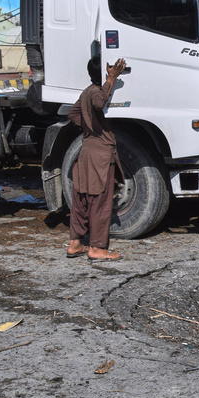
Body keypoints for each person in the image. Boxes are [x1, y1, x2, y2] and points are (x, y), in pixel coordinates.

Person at [66, 56, 126, 262]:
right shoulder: (96, 92)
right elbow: (99, 104)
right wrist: (110, 80)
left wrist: (89, 127)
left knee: (81, 199)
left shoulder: (87, 90)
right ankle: (97, 248)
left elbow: (72, 113)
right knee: (100, 201)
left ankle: (75, 244)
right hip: (100, 155)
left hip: (86, 152)